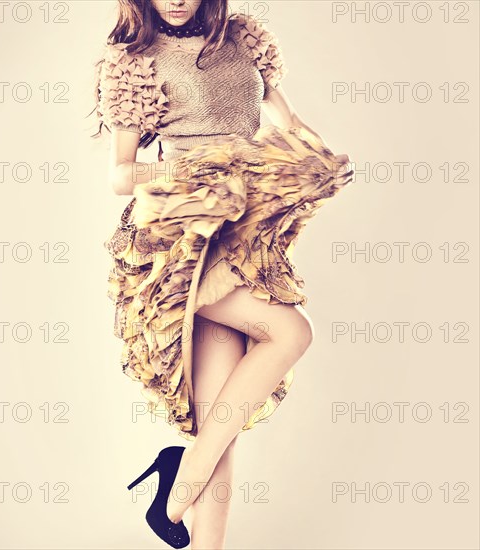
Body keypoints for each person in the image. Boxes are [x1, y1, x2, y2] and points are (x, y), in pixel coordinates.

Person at [92, 1, 354, 548]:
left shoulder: (246, 42)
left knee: (220, 424)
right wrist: (194, 168)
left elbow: (291, 125)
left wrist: (324, 159)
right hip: (179, 237)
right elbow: (120, 176)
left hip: (242, 236)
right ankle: (178, 488)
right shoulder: (133, 60)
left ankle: (186, 499)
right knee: (291, 331)